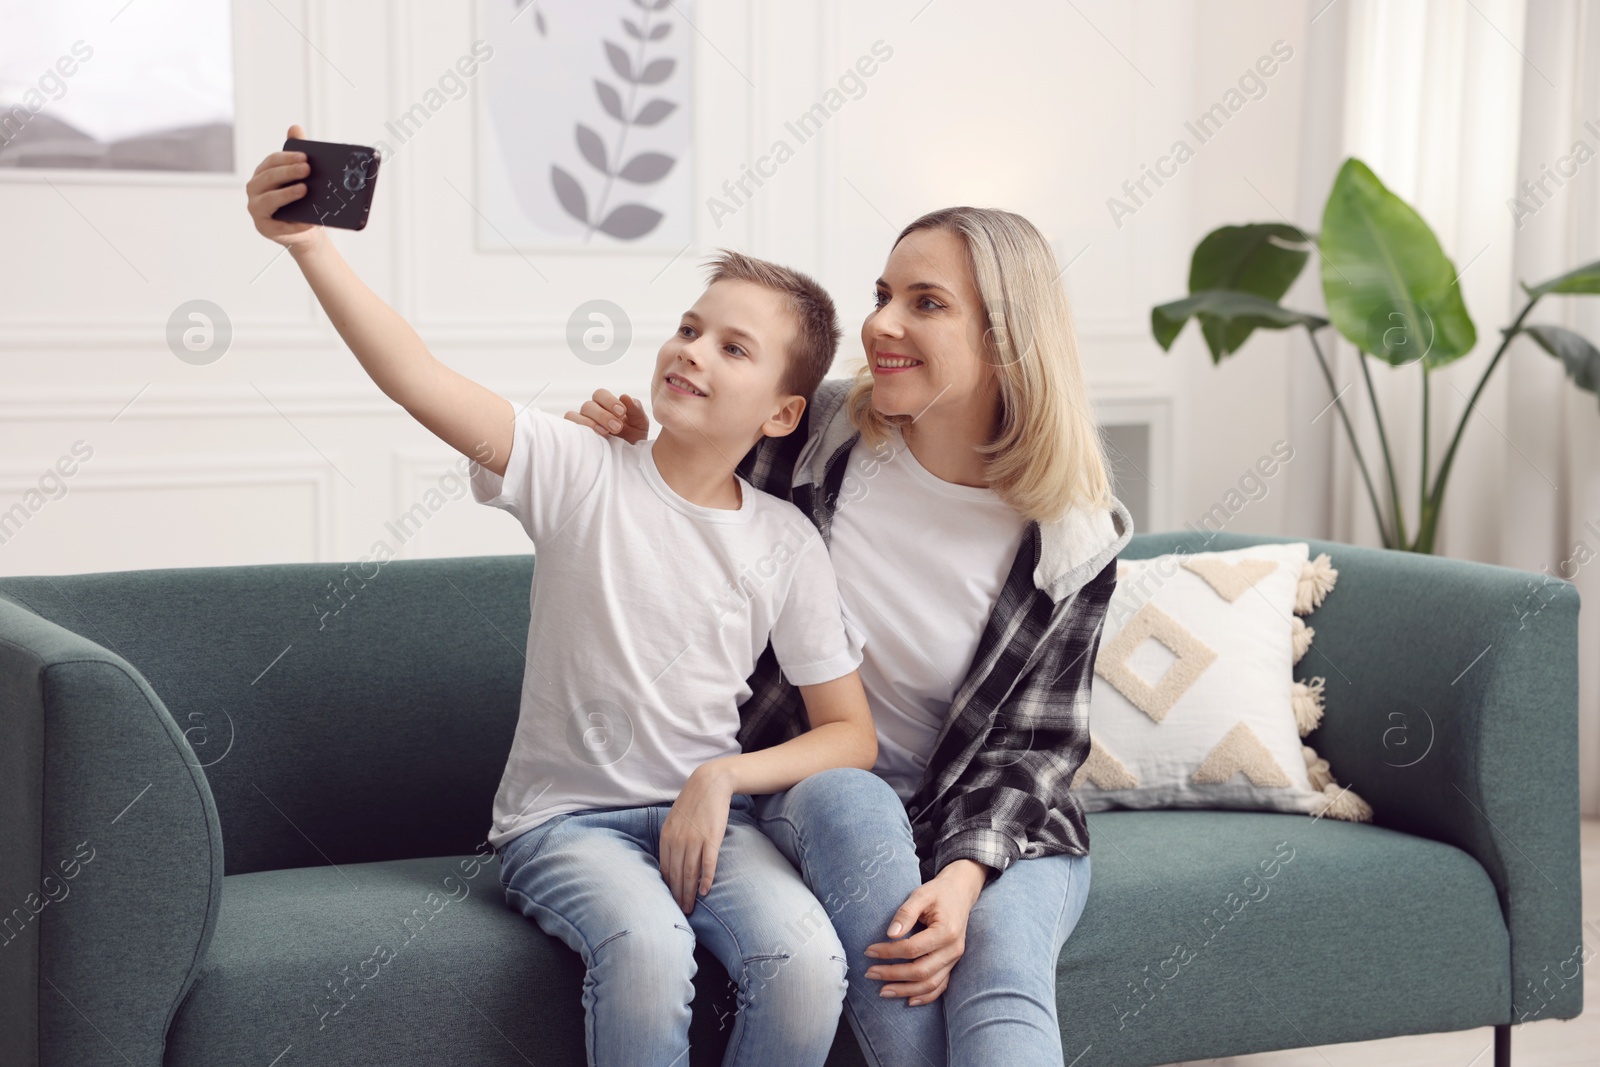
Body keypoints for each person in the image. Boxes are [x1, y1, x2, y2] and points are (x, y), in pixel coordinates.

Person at [246, 124, 880, 1067]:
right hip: (562, 823)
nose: (694, 350)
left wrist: (720, 777)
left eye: (734, 348)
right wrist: (310, 247)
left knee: (806, 961)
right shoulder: (580, 465)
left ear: (783, 413)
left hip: (704, 817)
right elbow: (417, 377)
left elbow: (851, 734)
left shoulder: (784, 541)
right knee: (650, 947)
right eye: (690, 327)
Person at [566, 206, 1133, 1067]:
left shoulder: (1073, 535)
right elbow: (679, 496)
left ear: (1006, 338)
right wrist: (624, 442)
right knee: (856, 802)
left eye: (926, 302)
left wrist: (964, 872)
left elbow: (1038, 748)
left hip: (994, 821)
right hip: (823, 793)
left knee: (1001, 965)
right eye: (882, 293)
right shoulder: (810, 436)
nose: (880, 324)